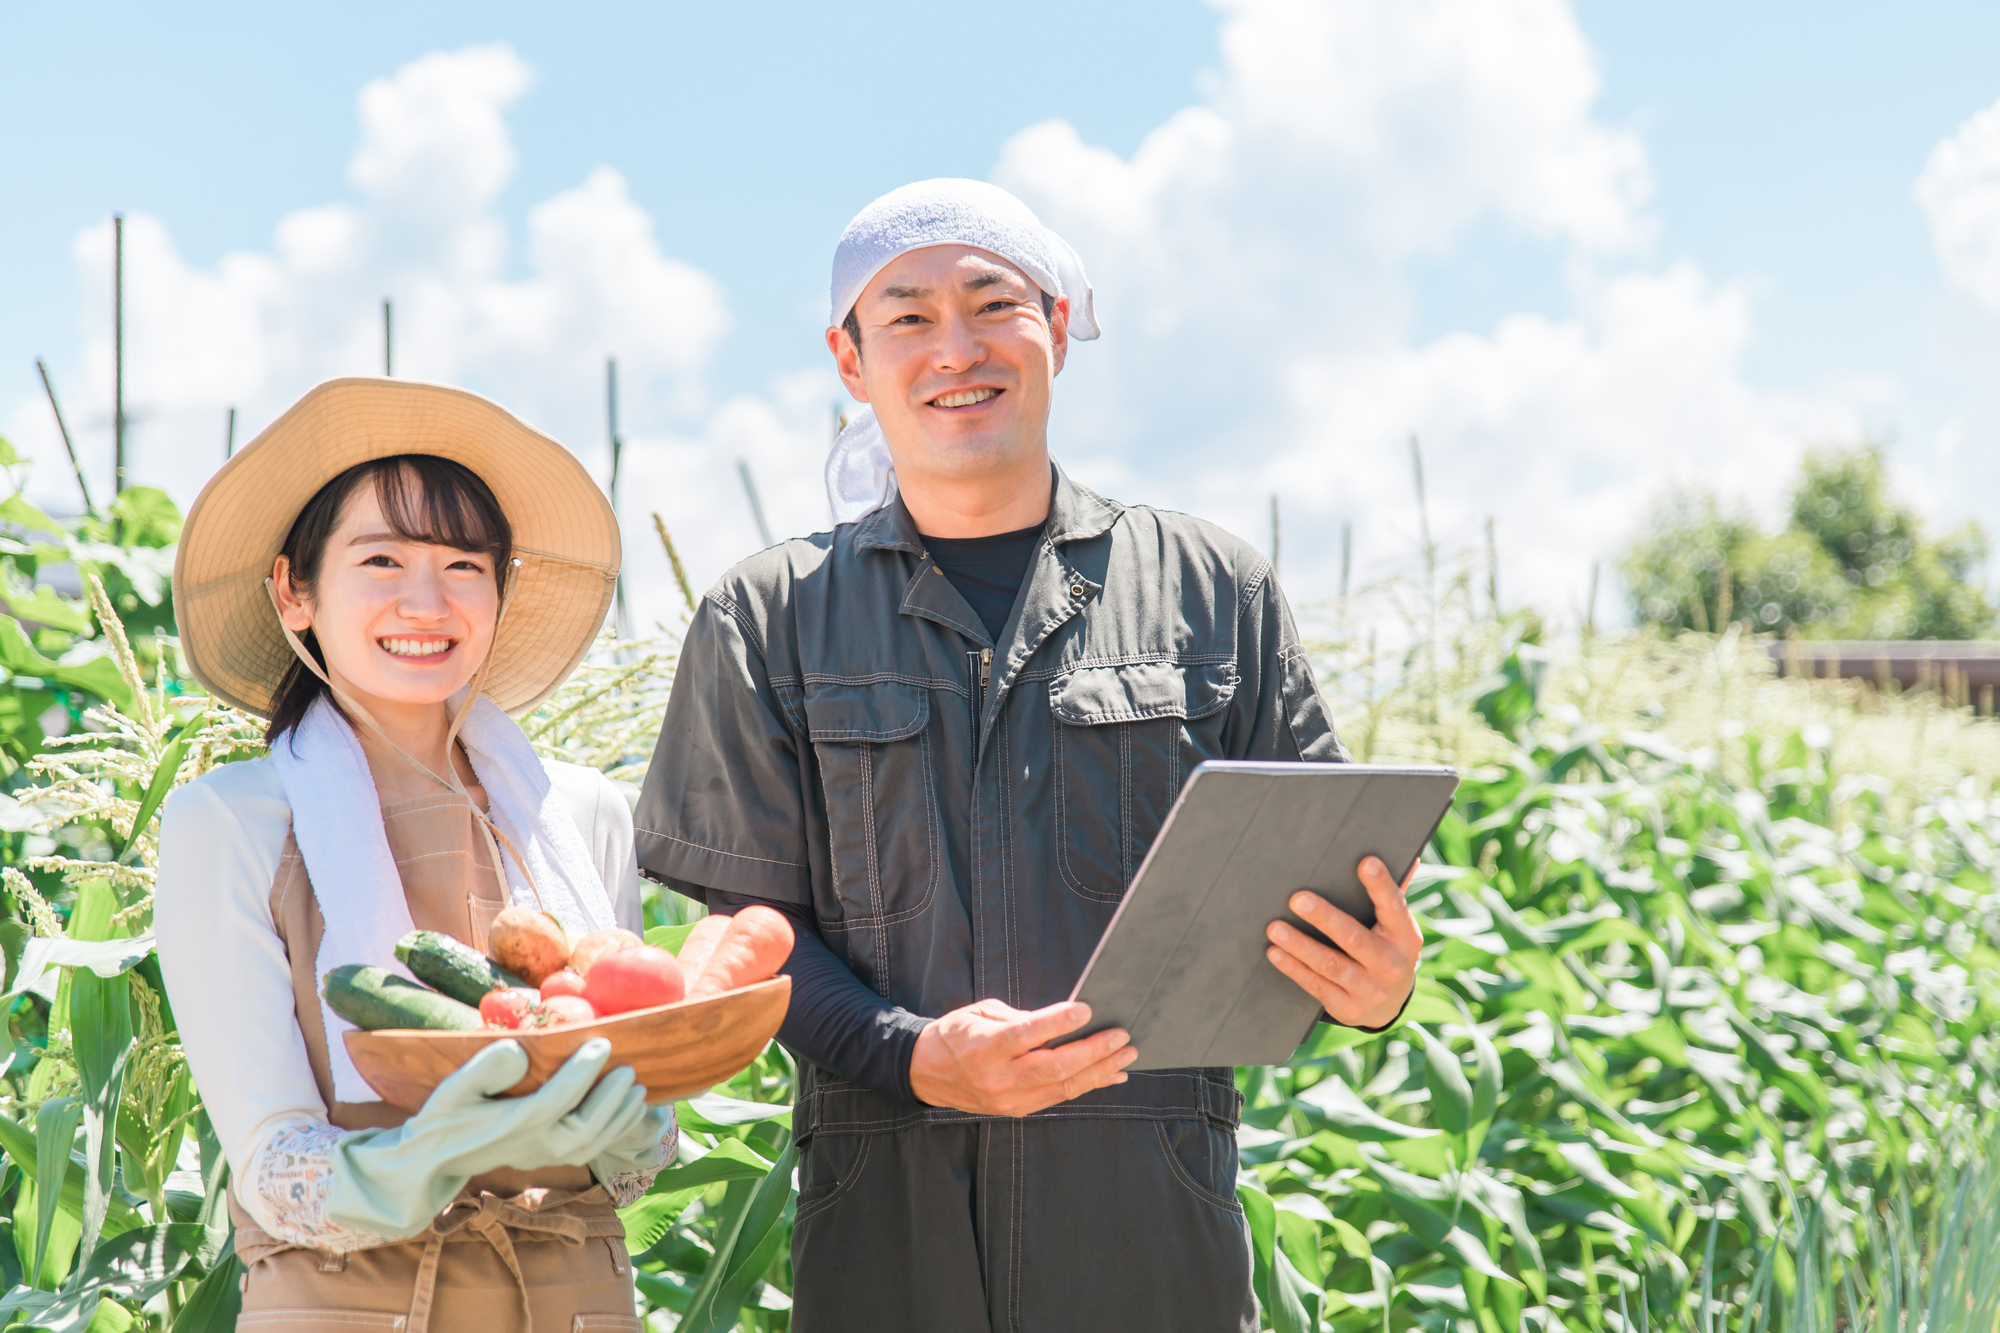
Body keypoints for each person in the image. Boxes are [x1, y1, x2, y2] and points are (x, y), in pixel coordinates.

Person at [634, 179, 1422, 1331]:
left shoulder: (1214, 589)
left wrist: (1372, 986)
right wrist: (911, 1055)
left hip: (1154, 1234)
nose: (954, 348)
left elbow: (1312, 878)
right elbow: (745, 936)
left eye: (990, 303)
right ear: (850, 361)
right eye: (906, 317)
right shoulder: (766, 616)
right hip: (884, 1237)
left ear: (1053, 326)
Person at [157, 378, 669, 1332]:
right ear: (294, 590)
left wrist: (641, 1131)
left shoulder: (584, 812)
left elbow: (631, 1158)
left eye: (464, 565)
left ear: (500, 591)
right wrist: (422, 1156)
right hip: (348, 1306)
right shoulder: (226, 823)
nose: (426, 602)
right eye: (382, 558)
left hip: (578, 1305)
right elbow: (271, 1167)